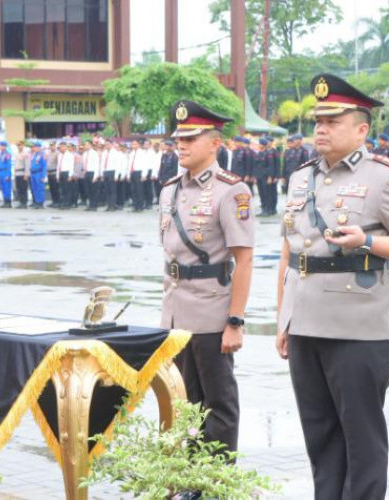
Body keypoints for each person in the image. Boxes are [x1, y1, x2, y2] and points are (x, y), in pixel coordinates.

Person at [276, 74, 389, 500]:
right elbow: (289, 252)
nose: (320, 128)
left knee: (361, 438)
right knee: (321, 437)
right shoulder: (300, 178)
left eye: (333, 121)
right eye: (318, 120)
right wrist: (283, 317)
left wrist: (369, 241)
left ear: (361, 129)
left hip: (361, 325)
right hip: (306, 321)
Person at [160, 100, 254, 456]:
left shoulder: (231, 190)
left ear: (215, 143)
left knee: (219, 405)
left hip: (213, 312)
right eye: (178, 138)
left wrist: (235, 321)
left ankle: (215, 485)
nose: (180, 145)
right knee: (185, 403)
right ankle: (190, 482)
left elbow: (243, 261)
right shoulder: (170, 188)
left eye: (191, 138)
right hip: (175, 311)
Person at [82, 140, 100, 211]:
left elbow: (97, 165)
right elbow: (84, 165)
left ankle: (94, 205)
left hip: (93, 173)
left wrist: (96, 176)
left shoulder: (94, 153)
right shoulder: (84, 154)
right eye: (85, 145)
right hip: (86, 173)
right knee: (88, 190)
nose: (85, 146)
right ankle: (90, 204)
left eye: (87, 145)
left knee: (94, 190)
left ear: (91, 145)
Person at [56, 141, 75, 209]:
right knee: (62, 189)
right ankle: (63, 203)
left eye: (61, 147)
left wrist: (70, 175)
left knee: (67, 189)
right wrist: (57, 175)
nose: (60, 148)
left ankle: (67, 203)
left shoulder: (69, 155)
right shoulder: (60, 155)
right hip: (61, 173)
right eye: (60, 147)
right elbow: (58, 166)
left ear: (65, 147)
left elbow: (71, 166)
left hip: (67, 173)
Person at [29, 141, 47, 209]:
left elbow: (44, 166)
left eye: (36, 147)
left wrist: (43, 176)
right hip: (33, 173)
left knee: (40, 188)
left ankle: (40, 203)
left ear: (39, 148)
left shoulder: (42, 155)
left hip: (39, 173)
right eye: (34, 147)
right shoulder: (34, 155)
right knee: (34, 188)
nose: (34, 148)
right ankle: (37, 201)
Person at [14, 140, 30, 209]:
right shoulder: (17, 154)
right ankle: (20, 202)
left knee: (23, 189)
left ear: (23, 145)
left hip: (23, 173)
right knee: (19, 189)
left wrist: (26, 174)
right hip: (17, 173)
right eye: (18, 145)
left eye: (20, 145)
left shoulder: (25, 154)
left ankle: (24, 203)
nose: (19, 146)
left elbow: (27, 165)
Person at [0, 140, 13, 208]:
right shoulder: (1, 154)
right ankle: (5, 201)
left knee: (7, 188)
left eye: (2, 146)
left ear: (5, 146)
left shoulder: (7, 154)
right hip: (1, 172)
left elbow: (9, 165)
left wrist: (8, 174)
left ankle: (8, 202)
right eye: (0, 146)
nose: (1, 147)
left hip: (5, 172)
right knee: (3, 188)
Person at [46, 141, 61, 208]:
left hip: (54, 172)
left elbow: (58, 164)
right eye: (51, 145)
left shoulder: (57, 153)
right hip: (49, 172)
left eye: (53, 145)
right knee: (51, 188)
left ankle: (57, 201)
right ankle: (53, 201)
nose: (51, 147)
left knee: (56, 188)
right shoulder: (48, 153)